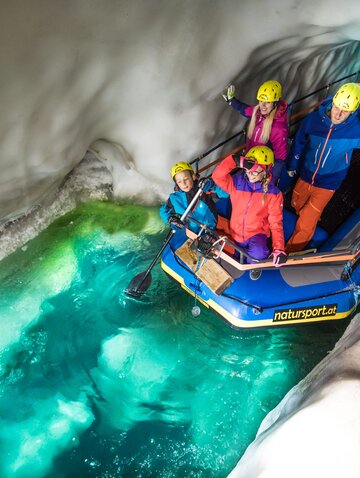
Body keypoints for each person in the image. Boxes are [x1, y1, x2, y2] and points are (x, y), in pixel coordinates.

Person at [286, 82, 360, 253]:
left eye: (345, 111)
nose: (339, 113)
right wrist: (292, 164)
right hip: (306, 173)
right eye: (337, 107)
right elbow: (298, 142)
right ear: (332, 102)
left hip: (329, 182)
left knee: (307, 221)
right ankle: (305, 214)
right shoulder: (313, 121)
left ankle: (289, 253)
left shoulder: (355, 130)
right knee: (296, 203)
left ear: (353, 112)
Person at [212, 145, 286, 280]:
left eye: (255, 171)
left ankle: (254, 266)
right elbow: (217, 176)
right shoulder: (237, 183)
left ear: (266, 170)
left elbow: (276, 223)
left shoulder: (274, 194)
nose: (250, 174)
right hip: (235, 231)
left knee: (259, 253)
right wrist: (235, 161)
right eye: (247, 170)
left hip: (256, 235)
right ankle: (238, 258)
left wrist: (279, 248)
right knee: (225, 246)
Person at [222, 80, 289, 184]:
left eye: (267, 102)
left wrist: (270, 181)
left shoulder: (278, 128)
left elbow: (280, 158)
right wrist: (231, 100)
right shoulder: (257, 113)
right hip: (250, 165)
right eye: (261, 101)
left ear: (275, 103)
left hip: (260, 171)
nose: (263, 105)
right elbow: (244, 109)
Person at [160, 161, 229, 233]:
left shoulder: (203, 188)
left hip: (212, 226)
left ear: (193, 176)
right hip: (193, 232)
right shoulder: (175, 199)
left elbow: (226, 193)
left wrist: (212, 185)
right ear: (176, 183)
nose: (183, 184)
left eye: (186, 179)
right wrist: (170, 219)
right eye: (179, 181)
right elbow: (163, 211)